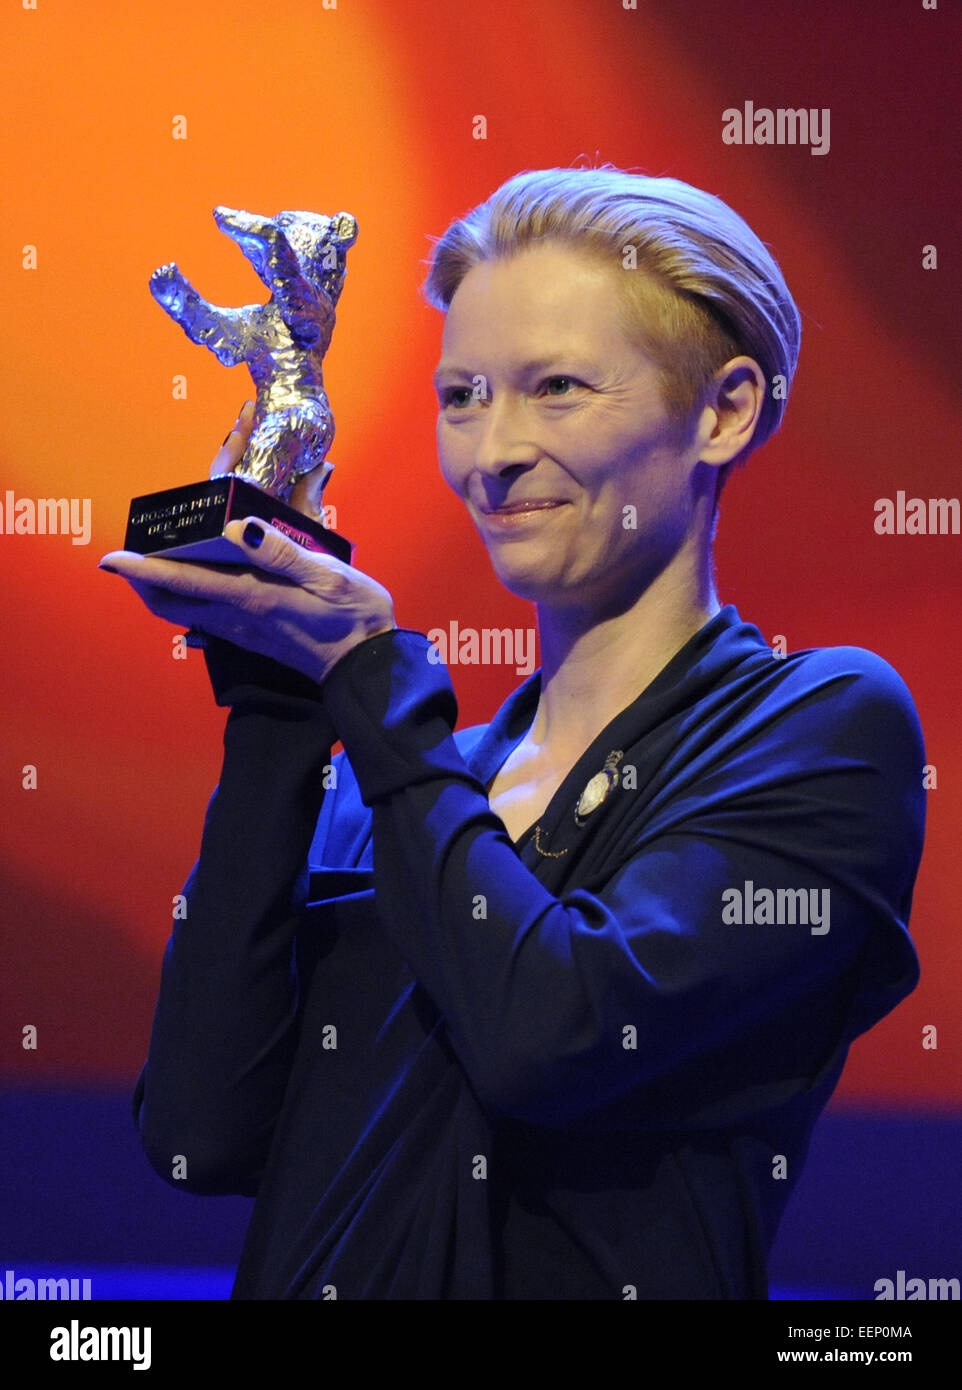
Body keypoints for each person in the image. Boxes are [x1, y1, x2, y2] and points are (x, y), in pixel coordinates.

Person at [101, 166, 925, 1300]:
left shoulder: (818, 727)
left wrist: (372, 685)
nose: (491, 453)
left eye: (555, 388)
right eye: (462, 397)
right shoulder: (407, 777)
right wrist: (280, 713)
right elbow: (201, 1136)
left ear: (722, 410)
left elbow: (556, 1038)